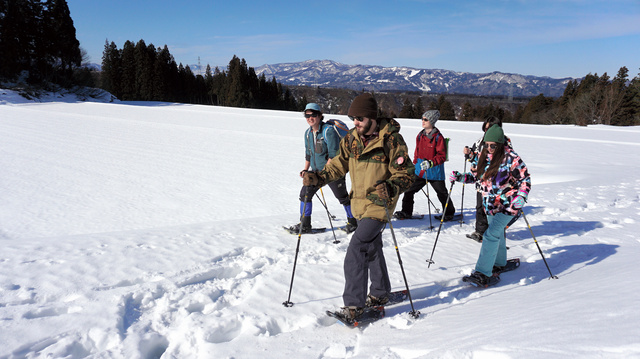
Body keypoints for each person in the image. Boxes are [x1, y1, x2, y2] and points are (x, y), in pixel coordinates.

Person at [302, 93, 415, 320]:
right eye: (353, 118)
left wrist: (392, 187)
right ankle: (380, 293)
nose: (355, 123)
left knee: (357, 248)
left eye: (360, 119)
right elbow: (338, 167)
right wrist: (318, 177)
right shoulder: (352, 138)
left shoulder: (390, 140)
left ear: (372, 118)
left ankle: (354, 305)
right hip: (359, 204)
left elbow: (407, 174)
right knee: (371, 248)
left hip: (380, 204)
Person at [450, 124, 531, 286]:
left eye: (493, 145)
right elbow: (476, 177)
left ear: (500, 144)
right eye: (486, 145)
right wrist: (460, 177)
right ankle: (500, 263)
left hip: (507, 206)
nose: (489, 148)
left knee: (490, 235)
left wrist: (521, 197)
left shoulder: (511, 159)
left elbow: (525, 180)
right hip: (490, 206)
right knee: (498, 235)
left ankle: (482, 273)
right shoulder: (484, 157)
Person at [288, 103, 358, 234]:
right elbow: (308, 153)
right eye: (307, 115)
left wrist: (324, 173)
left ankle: (353, 222)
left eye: (313, 115)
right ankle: (305, 224)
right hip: (315, 173)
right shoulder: (308, 133)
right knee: (305, 194)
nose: (310, 118)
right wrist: (305, 170)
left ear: (320, 116)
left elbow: (333, 154)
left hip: (332, 172)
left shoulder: (328, 131)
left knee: (342, 197)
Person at [394, 110, 455, 221]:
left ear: (432, 121)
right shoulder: (420, 135)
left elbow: (442, 156)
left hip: (435, 171)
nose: (423, 121)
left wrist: (431, 163)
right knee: (409, 190)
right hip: (420, 171)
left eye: (425, 119)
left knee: (442, 193)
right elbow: (417, 152)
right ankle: (406, 212)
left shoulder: (438, 137)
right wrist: (415, 163)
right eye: (422, 119)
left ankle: (449, 213)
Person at [463, 116, 512, 242]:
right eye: (485, 128)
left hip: (496, 183)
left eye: (488, 128)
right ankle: (480, 231)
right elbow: (475, 157)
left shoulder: (503, 142)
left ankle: (495, 235)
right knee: (480, 207)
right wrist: (469, 155)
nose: (486, 131)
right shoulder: (480, 141)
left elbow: (506, 160)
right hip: (481, 181)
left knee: (494, 210)